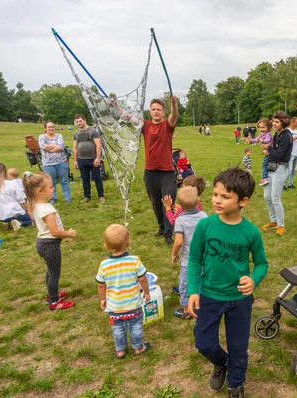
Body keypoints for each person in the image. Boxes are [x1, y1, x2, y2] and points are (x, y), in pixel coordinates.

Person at [187, 167, 268, 398]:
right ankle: (222, 363)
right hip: (210, 295)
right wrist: (193, 290)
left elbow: (262, 263)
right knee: (203, 343)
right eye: (215, 194)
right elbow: (194, 259)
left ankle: (236, 383)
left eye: (225, 196)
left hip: (239, 300)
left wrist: (254, 279)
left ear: (243, 201)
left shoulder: (251, 232)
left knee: (239, 347)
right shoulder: (205, 226)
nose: (217, 200)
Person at [96, 224, 151, 358]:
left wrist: (103, 299)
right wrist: (147, 293)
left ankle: (120, 350)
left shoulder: (104, 265)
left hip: (114, 307)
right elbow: (143, 279)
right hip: (133, 304)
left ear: (106, 246)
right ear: (129, 242)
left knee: (118, 329)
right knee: (136, 327)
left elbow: (101, 285)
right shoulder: (134, 261)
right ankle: (138, 347)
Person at [23, 172, 76, 310]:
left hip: (42, 243)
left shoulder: (35, 204)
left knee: (51, 271)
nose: (53, 189)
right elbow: (55, 232)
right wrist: (69, 234)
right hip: (50, 245)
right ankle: (54, 301)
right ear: (40, 191)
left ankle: (51, 294)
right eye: (51, 187)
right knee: (54, 273)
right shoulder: (47, 209)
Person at [142, 96, 179, 245]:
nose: (156, 112)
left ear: (163, 112)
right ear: (150, 112)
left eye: (159, 109)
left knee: (168, 201)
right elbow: (128, 117)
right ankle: (161, 226)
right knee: (156, 203)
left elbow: (174, 115)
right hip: (150, 172)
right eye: (153, 109)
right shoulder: (145, 126)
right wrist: (115, 105)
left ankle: (168, 232)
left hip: (167, 172)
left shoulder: (167, 125)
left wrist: (173, 103)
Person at [171, 186, 208, 320]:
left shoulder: (180, 220)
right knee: (203, 280)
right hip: (205, 258)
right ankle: (202, 303)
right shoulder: (204, 216)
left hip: (188, 261)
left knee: (185, 283)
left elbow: (178, 242)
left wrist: (174, 254)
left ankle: (187, 310)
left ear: (180, 205)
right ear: (198, 200)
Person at [261, 111, 294, 236]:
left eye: (277, 122)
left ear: (283, 122)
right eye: (273, 121)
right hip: (271, 167)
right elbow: (273, 151)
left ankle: (281, 225)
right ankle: (273, 221)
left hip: (281, 168)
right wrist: (268, 150)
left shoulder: (286, 135)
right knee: (267, 197)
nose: (273, 124)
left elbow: (279, 154)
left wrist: (268, 149)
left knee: (275, 198)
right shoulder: (277, 134)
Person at [0, 163, 33, 229]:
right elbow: (21, 199)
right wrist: (28, 211)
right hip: (13, 211)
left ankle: (8, 222)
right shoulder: (11, 183)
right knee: (32, 220)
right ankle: (18, 223)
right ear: (5, 172)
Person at [73, 114, 105, 203]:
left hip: (93, 159)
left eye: (80, 121)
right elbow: (75, 147)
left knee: (97, 178)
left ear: (84, 120)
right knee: (85, 179)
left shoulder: (93, 131)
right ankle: (87, 196)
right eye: (77, 122)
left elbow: (98, 145)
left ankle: (101, 196)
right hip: (81, 160)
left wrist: (98, 158)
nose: (79, 123)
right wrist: (75, 160)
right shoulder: (76, 133)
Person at [39, 121, 71, 204]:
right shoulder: (41, 137)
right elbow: (43, 146)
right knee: (51, 182)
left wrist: (49, 149)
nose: (51, 128)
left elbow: (61, 146)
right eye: (49, 127)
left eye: (52, 126)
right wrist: (56, 147)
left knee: (64, 180)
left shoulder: (59, 135)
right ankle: (53, 197)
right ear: (45, 128)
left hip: (61, 162)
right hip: (48, 164)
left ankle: (67, 197)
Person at [246, 118, 273, 187]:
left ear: (268, 127)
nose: (261, 129)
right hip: (266, 151)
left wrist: (262, 141)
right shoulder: (262, 134)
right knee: (267, 164)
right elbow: (257, 139)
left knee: (264, 164)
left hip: (270, 151)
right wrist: (251, 141)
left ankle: (265, 178)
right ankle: (268, 176)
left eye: (263, 127)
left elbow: (268, 140)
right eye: (260, 127)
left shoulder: (268, 134)